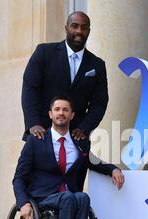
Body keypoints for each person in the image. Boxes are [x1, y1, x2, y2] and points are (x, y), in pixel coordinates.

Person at [13, 96, 124, 219]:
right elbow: (19, 177)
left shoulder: (79, 142)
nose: (61, 113)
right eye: (57, 110)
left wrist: (113, 169)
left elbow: (93, 162)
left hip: (69, 198)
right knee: (70, 198)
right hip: (43, 198)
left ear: (72, 115)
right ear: (50, 114)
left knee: (82, 197)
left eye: (65, 110)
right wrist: (23, 202)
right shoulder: (36, 141)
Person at [21, 11, 108, 142]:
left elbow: (99, 103)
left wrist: (84, 128)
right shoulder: (44, 53)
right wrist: (33, 123)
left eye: (84, 27)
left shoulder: (97, 65)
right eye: (74, 26)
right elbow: (30, 89)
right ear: (66, 28)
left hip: (76, 138)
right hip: (41, 134)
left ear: (89, 31)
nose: (79, 31)